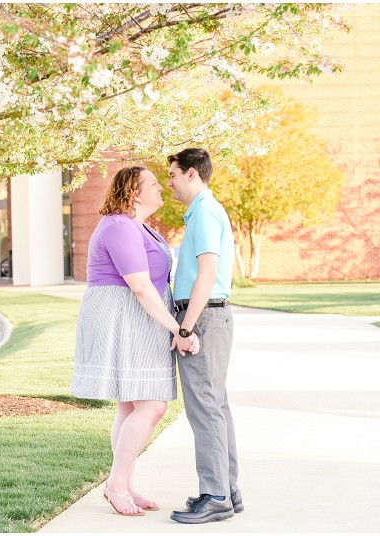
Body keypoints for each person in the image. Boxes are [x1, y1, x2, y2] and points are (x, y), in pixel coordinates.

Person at [72, 165, 199, 516]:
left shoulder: (138, 226)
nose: (162, 187)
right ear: (134, 192)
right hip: (123, 317)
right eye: (154, 184)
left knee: (130, 406)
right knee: (152, 406)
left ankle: (124, 484)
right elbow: (140, 286)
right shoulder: (119, 226)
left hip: (137, 317)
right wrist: (178, 328)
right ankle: (115, 485)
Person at [166, 148, 243, 524]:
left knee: (206, 408)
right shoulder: (202, 211)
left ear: (192, 174)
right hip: (210, 315)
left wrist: (185, 327)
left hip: (204, 316)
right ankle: (228, 491)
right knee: (216, 405)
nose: (170, 183)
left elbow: (207, 273)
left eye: (173, 175)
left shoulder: (204, 212)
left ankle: (215, 495)